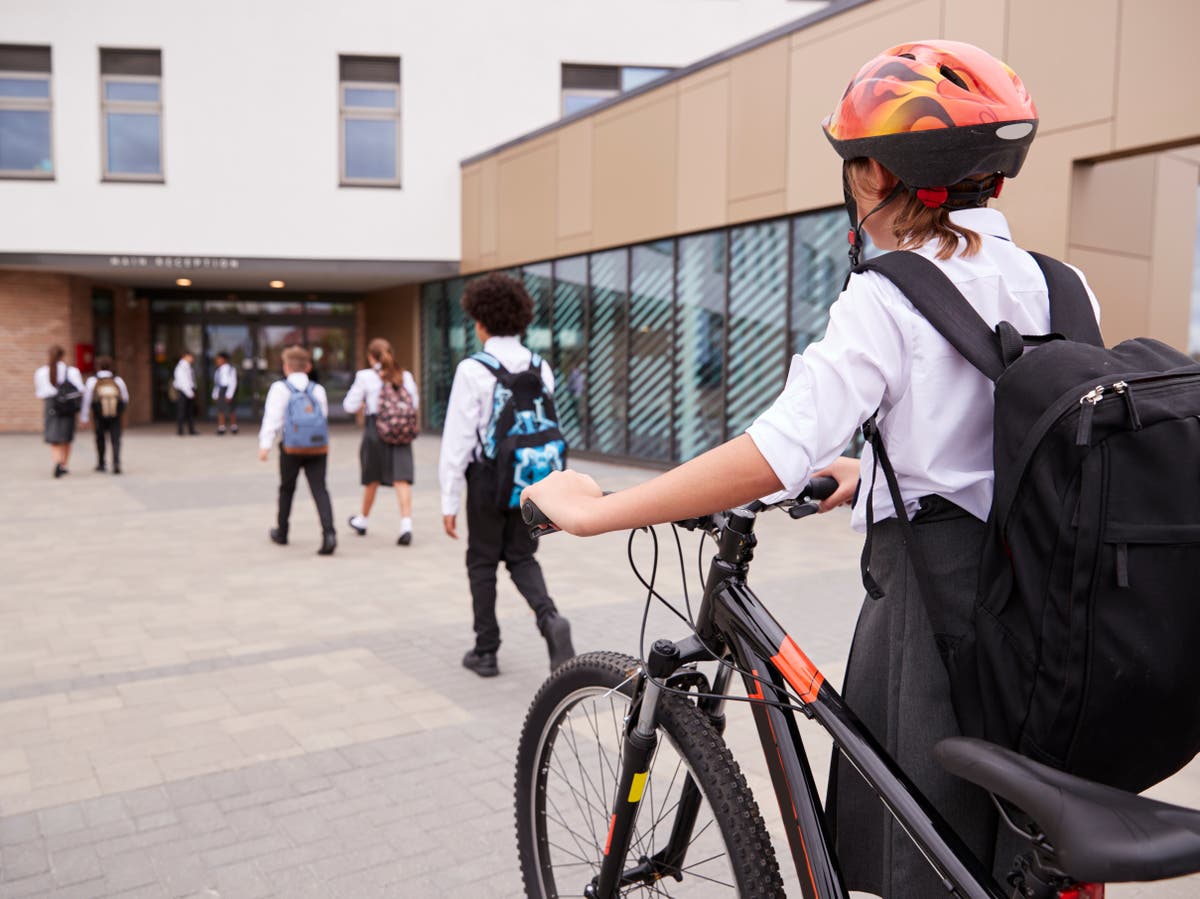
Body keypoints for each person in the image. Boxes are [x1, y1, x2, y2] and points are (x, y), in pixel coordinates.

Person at [521, 40, 1098, 898]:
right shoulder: (1063, 285)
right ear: (996, 181)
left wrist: (595, 510)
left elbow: (770, 454)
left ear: (872, 177)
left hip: (934, 617)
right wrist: (870, 475)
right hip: (1051, 615)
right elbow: (1023, 438)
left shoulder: (890, 293)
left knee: (921, 853)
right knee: (1005, 851)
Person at [439, 273, 574, 678]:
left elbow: (458, 441)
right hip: (532, 482)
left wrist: (448, 499)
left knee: (482, 563)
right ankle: (550, 621)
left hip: (487, 480)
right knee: (522, 557)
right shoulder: (541, 365)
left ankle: (486, 650)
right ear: (521, 319)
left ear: (479, 320)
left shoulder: (472, 370)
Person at [258, 345, 337, 556]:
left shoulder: (280, 389)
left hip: (291, 448)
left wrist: (265, 445)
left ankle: (282, 532)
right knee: (320, 489)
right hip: (318, 446)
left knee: (287, 489)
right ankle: (329, 533)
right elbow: (323, 417)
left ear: (286, 367)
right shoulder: (318, 390)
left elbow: (272, 419)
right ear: (308, 366)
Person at [343, 338, 420, 545]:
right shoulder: (405, 375)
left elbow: (349, 406)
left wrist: (364, 404)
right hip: (401, 432)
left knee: (372, 478)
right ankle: (406, 525)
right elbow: (415, 403)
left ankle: (363, 520)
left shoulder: (365, 377)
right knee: (401, 480)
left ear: (371, 357)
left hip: (376, 431)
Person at [33, 345, 85, 478]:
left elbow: (40, 393)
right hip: (67, 406)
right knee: (66, 437)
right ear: (63, 356)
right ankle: (63, 464)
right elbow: (80, 389)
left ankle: (57, 461)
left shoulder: (41, 372)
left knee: (54, 437)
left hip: (50, 405)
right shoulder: (71, 371)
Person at [80, 355, 129, 474]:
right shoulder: (118, 380)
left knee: (100, 438)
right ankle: (116, 462)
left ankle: (101, 463)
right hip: (115, 414)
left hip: (98, 414)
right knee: (116, 439)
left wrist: (84, 416)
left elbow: (87, 399)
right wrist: (121, 410)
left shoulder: (92, 380)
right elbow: (125, 398)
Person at [211, 351, 239, 435]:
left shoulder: (231, 369)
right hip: (221, 390)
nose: (217, 361)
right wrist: (215, 393)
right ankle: (221, 427)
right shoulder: (218, 371)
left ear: (224, 359)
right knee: (220, 410)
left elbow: (233, 382)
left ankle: (234, 426)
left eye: (219, 359)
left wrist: (229, 394)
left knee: (231, 410)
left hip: (228, 389)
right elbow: (217, 383)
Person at [173, 351, 197, 436]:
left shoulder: (187, 366)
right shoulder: (181, 367)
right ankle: (180, 430)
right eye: (191, 357)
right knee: (182, 411)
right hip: (184, 391)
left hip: (188, 390)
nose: (192, 359)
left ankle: (191, 429)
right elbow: (183, 381)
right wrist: (189, 392)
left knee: (189, 412)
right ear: (185, 356)